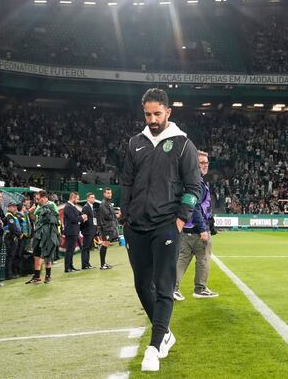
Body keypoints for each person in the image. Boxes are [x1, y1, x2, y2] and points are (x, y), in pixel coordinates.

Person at [120, 88, 201, 372]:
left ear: (168, 111)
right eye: (147, 114)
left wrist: (180, 220)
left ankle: (153, 348)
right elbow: (127, 182)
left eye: (157, 113)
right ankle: (165, 333)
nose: (152, 119)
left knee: (164, 287)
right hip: (135, 227)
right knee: (142, 285)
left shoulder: (182, 144)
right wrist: (126, 217)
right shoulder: (135, 144)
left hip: (166, 225)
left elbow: (194, 187)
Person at [174, 150, 218, 301]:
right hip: (196, 229)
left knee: (182, 259)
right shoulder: (197, 182)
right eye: (202, 163)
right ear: (194, 164)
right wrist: (203, 229)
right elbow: (196, 206)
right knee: (203, 258)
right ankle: (200, 288)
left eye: (206, 162)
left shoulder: (188, 180)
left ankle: (173, 288)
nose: (205, 165)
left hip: (186, 228)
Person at [25, 190, 60, 284]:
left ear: (44, 198)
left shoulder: (52, 205)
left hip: (48, 235)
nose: (36, 201)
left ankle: (48, 276)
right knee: (37, 255)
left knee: (48, 255)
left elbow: (55, 219)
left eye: (38, 199)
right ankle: (36, 277)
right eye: (36, 199)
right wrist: (30, 213)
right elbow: (35, 219)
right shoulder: (38, 206)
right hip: (38, 234)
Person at [98, 187, 119, 269]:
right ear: (104, 194)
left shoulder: (108, 203)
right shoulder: (103, 203)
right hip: (105, 228)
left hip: (109, 227)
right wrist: (116, 216)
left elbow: (111, 214)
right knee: (105, 244)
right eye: (107, 193)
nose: (109, 194)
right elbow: (107, 216)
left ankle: (104, 264)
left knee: (105, 244)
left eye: (110, 193)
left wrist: (115, 215)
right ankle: (102, 265)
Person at [62, 192, 82, 273]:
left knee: (71, 250)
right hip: (71, 231)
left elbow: (78, 215)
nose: (78, 200)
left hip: (73, 231)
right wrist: (82, 217)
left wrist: (81, 216)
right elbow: (74, 219)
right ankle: (67, 268)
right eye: (77, 198)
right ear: (73, 198)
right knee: (69, 250)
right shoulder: (68, 207)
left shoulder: (72, 206)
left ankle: (71, 266)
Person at [3, 202, 23, 279]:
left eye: (15, 206)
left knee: (12, 255)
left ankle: (11, 273)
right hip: (10, 237)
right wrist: (19, 234)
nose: (14, 208)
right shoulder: (9, 216)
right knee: (10, 256)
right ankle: (9, 274)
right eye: (13, 207)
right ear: (9, 207)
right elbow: (12, 227)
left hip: (12, 237)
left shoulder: (12, 216)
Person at [80, 192, 97, 269]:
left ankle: (87, 263)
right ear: (88, 198)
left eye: (94, 197)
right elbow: (84, 219)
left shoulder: (91, 207)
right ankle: (84, 265)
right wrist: (85, 229)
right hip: (87, 230)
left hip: (91, 230)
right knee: (85, 248)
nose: (93, 199)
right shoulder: (86, 207)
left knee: (88, 248)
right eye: (92, 197)